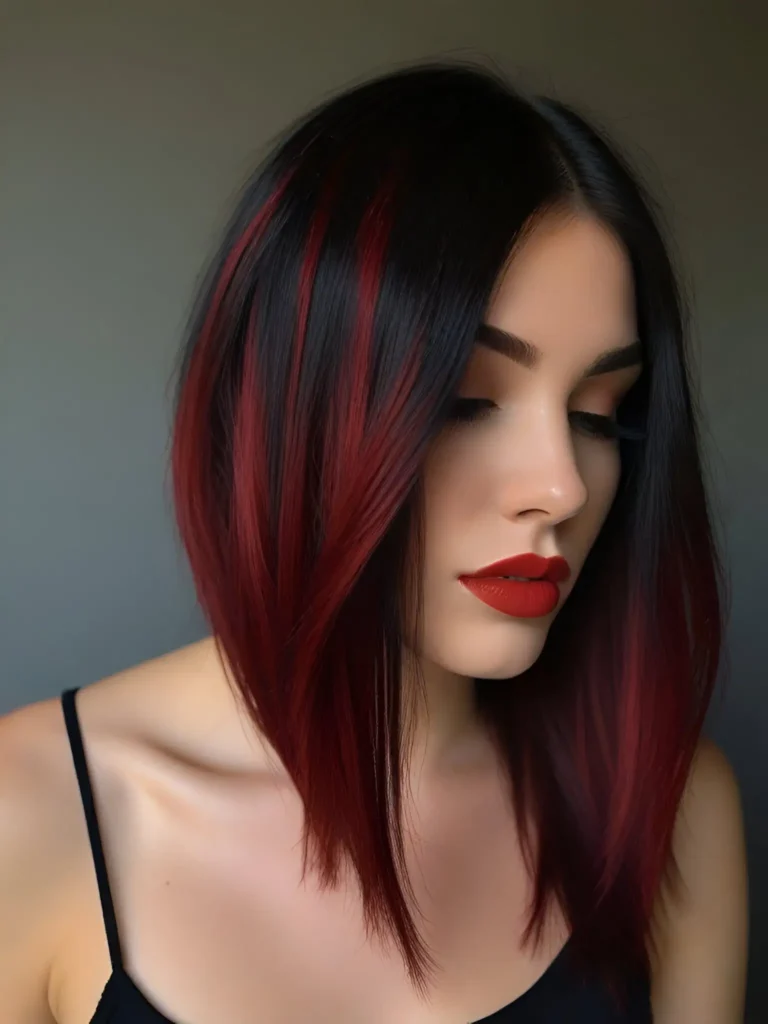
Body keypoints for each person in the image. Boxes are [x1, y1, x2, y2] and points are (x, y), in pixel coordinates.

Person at [0, 60, 748, 1024]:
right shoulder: (28, 817)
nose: (561, 485)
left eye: (602, 415)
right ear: (286, 408)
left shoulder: (667, 807)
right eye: (469, 401)